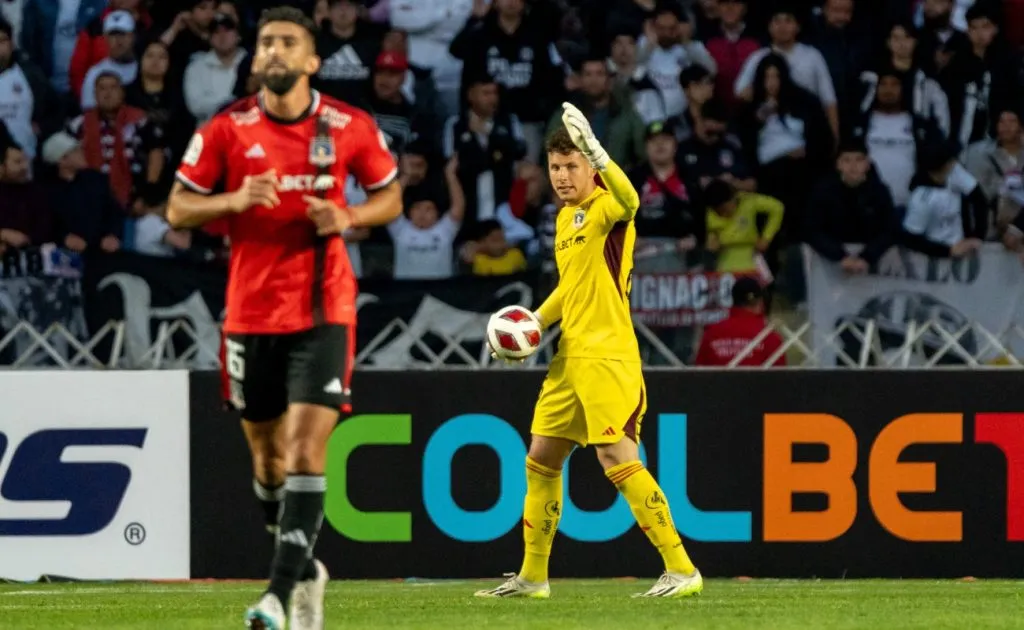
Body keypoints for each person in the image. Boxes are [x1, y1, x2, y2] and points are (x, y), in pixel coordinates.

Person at [166, 7, 402, 630]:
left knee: (303, 452)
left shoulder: (348, 125)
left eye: (286, 43)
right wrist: (234, 199)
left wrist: (350, 218)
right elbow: (177, 208)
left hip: (325, 308)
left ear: (311, 60)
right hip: (248, 313)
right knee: (267, 463)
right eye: (265, 41)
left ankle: (275, 595)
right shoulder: (225, 128)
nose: (272, 50)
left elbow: (391, 196)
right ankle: (305, 570)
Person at [475, 102, 702, 600]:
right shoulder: (565, 218)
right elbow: (571, 287)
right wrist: (535, 321)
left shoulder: (607, 208)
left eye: (570, 165)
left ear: (589, 165)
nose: (561, 176)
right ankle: (533, 578)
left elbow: (631, 201)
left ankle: (682, 570)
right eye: (555, 167)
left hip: (608, 353)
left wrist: (599, 154)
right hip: (570, 356)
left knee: (616, 455)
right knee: (541, 458)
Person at [694, 276, 786, 367]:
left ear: (734, 301)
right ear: (761, 302)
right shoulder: (769, 336)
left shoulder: (711, 334)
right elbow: (781, 377)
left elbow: (699, 373)